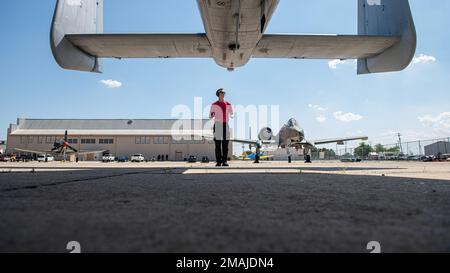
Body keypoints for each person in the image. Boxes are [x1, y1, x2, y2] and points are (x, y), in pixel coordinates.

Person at [210, 88, 234, 167]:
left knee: (225, 145)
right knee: (217, 145)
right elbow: (210, 115)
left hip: (225, 125)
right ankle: (218, 162)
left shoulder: (228, 104)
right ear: (218, 94)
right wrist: (212, 114)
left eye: (224, 92)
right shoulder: (214, 104)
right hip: (217, 125)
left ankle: (224, 161)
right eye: (221, 92)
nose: (223, 93)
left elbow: (232, 113)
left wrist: (232, 115)